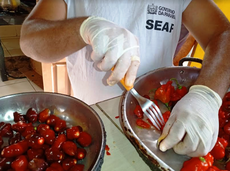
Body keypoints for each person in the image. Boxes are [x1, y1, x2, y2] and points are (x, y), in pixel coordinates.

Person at [20, 0, 230, 158]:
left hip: (161, 126)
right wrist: (83, 28)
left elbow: (223, 34)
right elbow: (30, 38)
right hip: (94, 125)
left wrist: (207, 96)